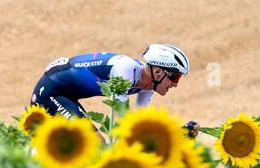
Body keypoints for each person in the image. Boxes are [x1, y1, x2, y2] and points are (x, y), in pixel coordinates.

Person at [30, 44, 189, 120]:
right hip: (51, 91)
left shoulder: (148, 85)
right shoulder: (125, 69)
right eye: (175, 77)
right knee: (94, 142)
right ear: (159, 72)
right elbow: (120, 119)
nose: (175, 84)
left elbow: (141, 121)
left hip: (67, 95)